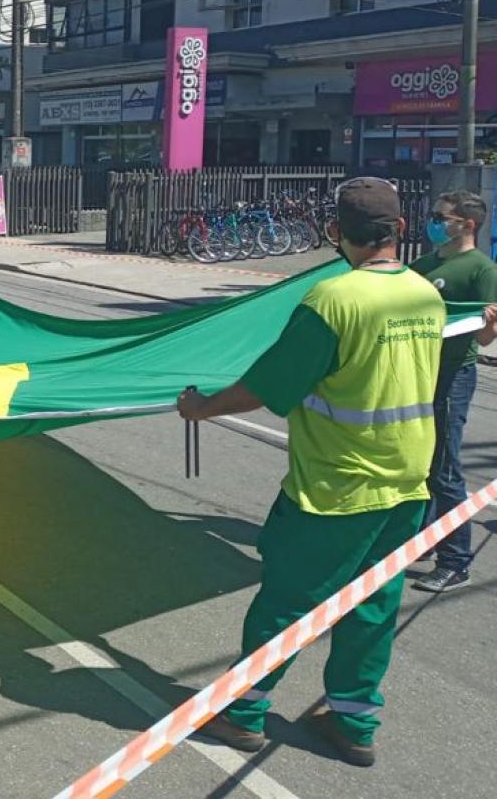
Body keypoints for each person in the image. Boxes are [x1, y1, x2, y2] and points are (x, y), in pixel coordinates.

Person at [176, 178, 445, 768]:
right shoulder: (425, 293)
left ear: (333, 234)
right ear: (401, 229)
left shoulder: (333, 300)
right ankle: (354, 721)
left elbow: (266, 386)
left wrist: (200, 407)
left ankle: (242, 712)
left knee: (288, 600)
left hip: (336, 486)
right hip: (407, 480)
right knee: (373, 604)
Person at [409, 190, 497, 592]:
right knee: (419, 466)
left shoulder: (480, 269)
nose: (434, 221)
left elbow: (484, 339)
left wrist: (491, 322)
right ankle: (425, 539)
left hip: (451, 378)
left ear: (467, 224)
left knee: (444, 470)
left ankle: (456, 559)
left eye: (441, 216)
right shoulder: (424, 264)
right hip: (415, 375)